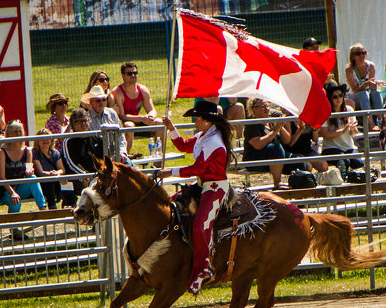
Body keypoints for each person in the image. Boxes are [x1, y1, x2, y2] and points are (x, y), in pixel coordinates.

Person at [161, 99, 234, 295]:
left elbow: (198, 168)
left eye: (197, 118)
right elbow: (183, 146)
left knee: (200, 225)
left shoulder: (214, 142)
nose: (195, 122)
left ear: (208, 121)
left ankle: (203, 268)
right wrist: (171, 128)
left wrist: (171, 171)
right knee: (169, 205)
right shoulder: (205, 136)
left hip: (215, 189)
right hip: (204, 186)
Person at [0, 121, 48, 214]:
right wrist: (12, 193)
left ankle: (43, 209)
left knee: (32, 178)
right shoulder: (1, 152)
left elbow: (29, 167)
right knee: (16, 202)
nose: (18, 134)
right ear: (9, 134)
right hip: (5, 190)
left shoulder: (27, 150)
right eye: (15, 131)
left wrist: (29, 170)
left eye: (20, 131)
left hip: (21, 187)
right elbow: (1, 178)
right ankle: (14, 228)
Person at [111, 61, 163, 154]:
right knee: (129, 126)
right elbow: (122, 116)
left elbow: (152, 109)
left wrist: (150, 116)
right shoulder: (118, 92)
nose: (133, 75)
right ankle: (124, 158)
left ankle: (158, 161)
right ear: (123, 76)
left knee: (160, 123)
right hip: (124, 123)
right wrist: (141, 118)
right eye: (129, 73)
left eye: (135, 73)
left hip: (139, 121)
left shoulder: (143, 90)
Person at [244, 98, 293, 188]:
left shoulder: (271, 122)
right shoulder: (252, 124)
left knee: (300, 162)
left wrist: (280, 127)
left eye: (268, 106)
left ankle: (300, 181)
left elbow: (287, 141)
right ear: (254, 109)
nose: (267, 109)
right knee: (276, 148)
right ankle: (277, 183)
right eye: (263, 106)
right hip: (254, 159)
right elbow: (258, 145)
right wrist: (275, 131)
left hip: (272, 159)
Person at [318, 84, 364, 175]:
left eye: (340, 96)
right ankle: (342, 183)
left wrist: (352, 128)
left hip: (348, 147)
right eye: (335, 97)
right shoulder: (325, 112)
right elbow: (325, 135)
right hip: (331, 148)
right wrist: (342, 131)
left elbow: (354, 133)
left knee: (359, 164)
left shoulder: (349, 110)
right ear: (330, 98)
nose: (338, 99)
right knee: (344, 162)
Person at [82, 85, 129, 160]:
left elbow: (121, 136)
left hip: (117, 155)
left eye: (104, 99)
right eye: (98, 100)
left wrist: (122, 152)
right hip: (98, 158)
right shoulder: (86, 118)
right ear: (91, 102)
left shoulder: (112, 113)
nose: (101, 103)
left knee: (133, 170)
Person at [344, 43, 384, 129]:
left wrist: (375, 83)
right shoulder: (349, 70)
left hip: (368, 94)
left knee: (376, 93)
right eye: (358, 54)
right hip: (355, 96)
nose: (362, 55)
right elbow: (354, 89)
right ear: (353, 57)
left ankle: (382, 121)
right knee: (363, 94)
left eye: (364, 53)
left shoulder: (371, 66)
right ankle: (370, 123)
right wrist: (367, 84)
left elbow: (372, 86)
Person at [32, 128, 73, 209]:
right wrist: (52, 175)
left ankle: (72, 205)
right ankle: (52, 208)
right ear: (37, 141)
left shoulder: (55, 153)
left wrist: (57, 174)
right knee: (49, 182)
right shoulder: (35, 153)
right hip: (43, 182)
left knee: (68, 181)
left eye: (48, 138)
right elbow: (40, 172)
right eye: (42, 139)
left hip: (56, 178)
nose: (45, 141)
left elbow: (62, 169)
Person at [61, 110, 104, 176]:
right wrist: (85, 175)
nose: (83, 123)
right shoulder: (68, 141)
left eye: (85, 120)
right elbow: (71, 163)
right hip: (79, 177)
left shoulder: (97, 138)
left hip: (99, 175)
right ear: (72, 125)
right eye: (79, 121)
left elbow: (104, 158)